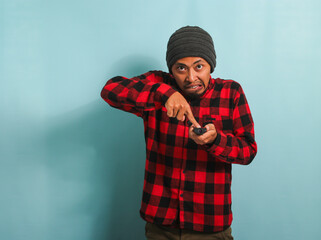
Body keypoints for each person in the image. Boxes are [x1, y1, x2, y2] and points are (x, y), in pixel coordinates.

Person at [101, 26, 257, 240]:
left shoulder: (231, 93)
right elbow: (110, 90)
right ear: (171, 69)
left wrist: (215, 140)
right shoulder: (158, 84)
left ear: (210, 65)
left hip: (209, 225)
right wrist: (162, 93)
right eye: (181, 68)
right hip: (160, 224)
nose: (191, 77)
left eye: (198, 67)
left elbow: (248, 151)